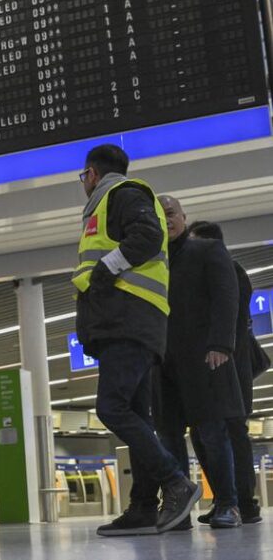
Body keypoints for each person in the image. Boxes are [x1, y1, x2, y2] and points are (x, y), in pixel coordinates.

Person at [73, 144, 200, 536]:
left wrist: (105, 272)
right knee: (138, 414)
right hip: (128, 322)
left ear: (92, 174)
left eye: (83, 177)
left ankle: (175, 482)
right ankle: (143, 507)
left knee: (111, 407)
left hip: (127, 321)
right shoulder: (107, 203)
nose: (84, 183)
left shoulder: (122, 194)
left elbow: (147, 233)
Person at [155, 198, 242, 528]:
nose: (166, 221)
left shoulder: (206, 251)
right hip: (163, 362)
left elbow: (226, 295)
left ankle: (228, 504)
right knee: (169, 436)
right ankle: (179, 512)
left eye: (171, 214)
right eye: (159, 217)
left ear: (184, 218)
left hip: (204, 358)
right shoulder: (151, 261)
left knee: (211, 433)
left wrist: (221, 343)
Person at [187, 220, 263, 525]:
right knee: (206, 433)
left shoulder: (230, 270)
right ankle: (225, 498)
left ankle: (244, 502)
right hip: (216, 367)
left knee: (233, 431)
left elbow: (229, 319)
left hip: (230, 366)